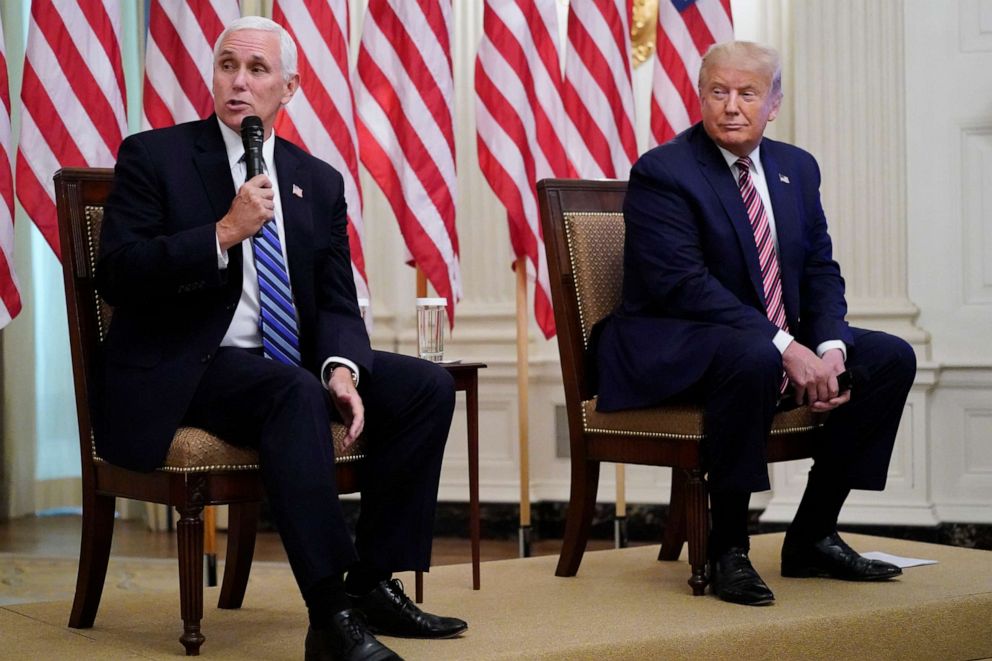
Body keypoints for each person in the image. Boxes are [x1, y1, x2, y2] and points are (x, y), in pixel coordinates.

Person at [96, 16, 466, 659]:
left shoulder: (316, 179)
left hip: (283, 367)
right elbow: (119, 275)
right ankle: (330, 613)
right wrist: (222, 233)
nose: (239, 82)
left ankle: (374, 580)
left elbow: (334, 301)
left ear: (288, 87)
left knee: (425, 386)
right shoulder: (155, 155)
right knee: (291, 391)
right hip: (186, 365)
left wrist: (343, 367)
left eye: (257, 70)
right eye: (227, 65)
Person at [593, 41, 916, 606]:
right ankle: (729, 549)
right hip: (675, 341)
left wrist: (831, 346)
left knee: (888, 357)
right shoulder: (664, 171)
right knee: (753, 356)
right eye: (718, 92)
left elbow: (819, 267)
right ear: (700, 97)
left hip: (764, 338)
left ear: (774, 103)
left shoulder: (796, 167)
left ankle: (813, 534)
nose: (732, 106)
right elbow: (683, 286)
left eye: (748, 93)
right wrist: (788, 346)